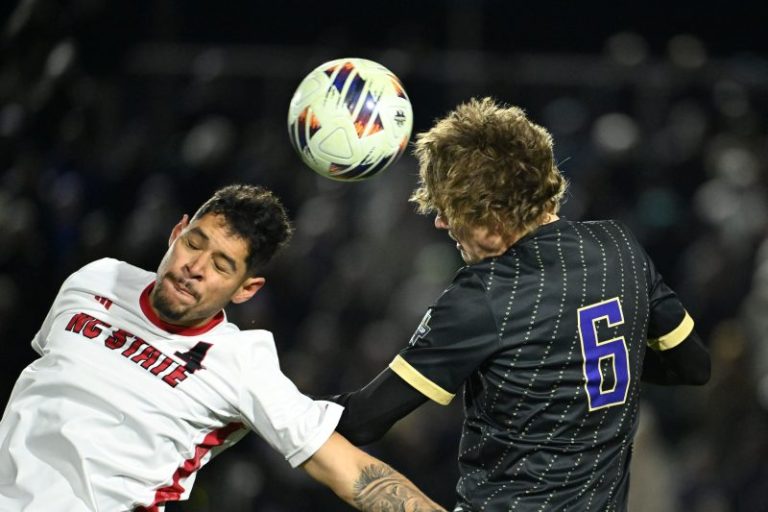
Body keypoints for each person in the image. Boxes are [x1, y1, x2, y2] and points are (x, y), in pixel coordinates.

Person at [329, 98, 711, 511]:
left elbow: (362, 422)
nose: (441, 221)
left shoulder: (485, 295)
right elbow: (693, 366)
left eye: (449, 208)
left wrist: (268, 401)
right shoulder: (620, 248)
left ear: (492, 218)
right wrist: (585, 360)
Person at [0, 184, 445, 512]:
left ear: (246, 289)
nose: (195, 268)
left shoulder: (241, 363)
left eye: (221, 265)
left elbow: (344, 467)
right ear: (176, 233)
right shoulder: (95, 279)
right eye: (194, 243)